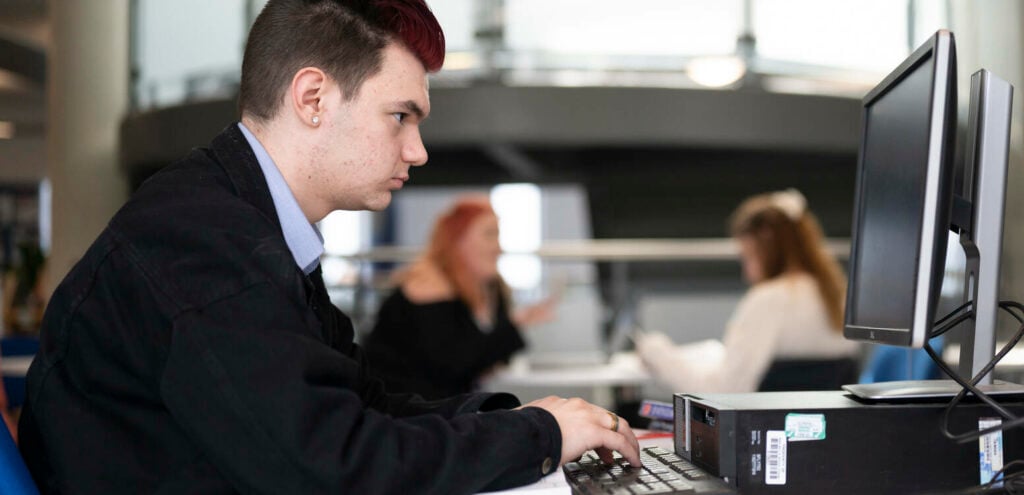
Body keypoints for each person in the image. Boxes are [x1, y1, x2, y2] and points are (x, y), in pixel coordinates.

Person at [18, 1, 639, 493]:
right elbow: (329, 469)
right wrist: (539, 435)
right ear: (312, 98)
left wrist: (529, 423)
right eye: (401, 116)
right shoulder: (203, 243)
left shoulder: (244, 220)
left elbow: (362, 405)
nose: (417, 150)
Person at [635, 189, 861, 393]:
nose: (746, 273)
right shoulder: (838, 295)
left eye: (747, 257)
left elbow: (723, 392)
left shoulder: (770, 299)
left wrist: (657, 352)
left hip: (765, 428)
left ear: (767, 244)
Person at [364, 196, 554, 400]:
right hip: (401, 407)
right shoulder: (429, 284)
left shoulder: (489, 287)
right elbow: (453, 365)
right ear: (458, 239)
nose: (498, 247)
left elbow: (478, 360)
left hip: (441, 406)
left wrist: (516, 322)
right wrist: (515, 323)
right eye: (489, 235)